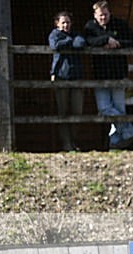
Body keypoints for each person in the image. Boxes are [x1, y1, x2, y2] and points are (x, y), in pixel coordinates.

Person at [83, 0, 133, 150]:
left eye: (106, 14)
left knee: (119, 109)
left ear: (109, 13)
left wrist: (117, 43)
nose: (103, 18)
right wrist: (105, 40)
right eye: (100, 15)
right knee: (104, 109)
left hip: (118, 73)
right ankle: (129, 132)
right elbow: (87, 41)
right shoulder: (90, 27)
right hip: (100, 75)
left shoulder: (120, 24)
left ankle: (116, 144)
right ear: (95, 15)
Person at [48, 10, 86, 151]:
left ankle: (74, 141)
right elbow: (55, 45)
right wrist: (69, 41)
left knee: (77, 111)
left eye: (68, 22)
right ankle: (66, 144)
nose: (66, 25)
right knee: (62, 112)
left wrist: (68, 42)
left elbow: (81, 43)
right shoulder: (54, 34)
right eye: (63, 22)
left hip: (76, 77)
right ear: (57, 24)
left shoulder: (76, 34)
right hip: (61, 76)